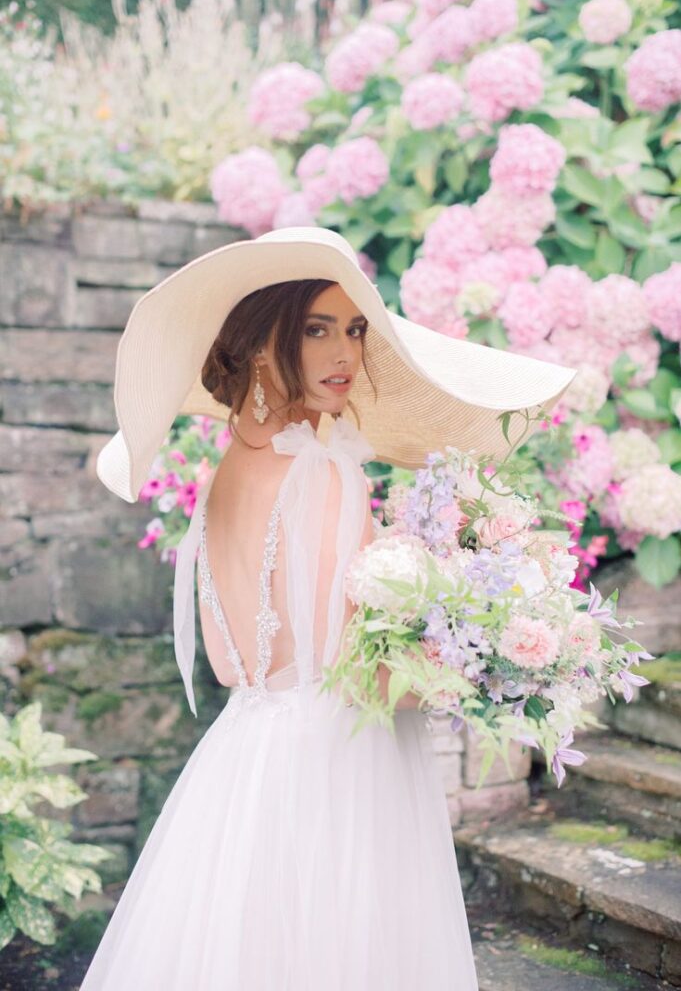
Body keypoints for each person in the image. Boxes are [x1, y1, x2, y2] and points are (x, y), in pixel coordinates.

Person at [82, 227, 576, 989]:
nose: (344, 353)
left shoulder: (221, 478)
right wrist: (483, 662)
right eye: (316, 331)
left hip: (246, 751)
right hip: (342, 760)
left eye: (353, 329)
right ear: (258, 348)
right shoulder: (327, 473)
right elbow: (363, 676)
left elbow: (244, 657)